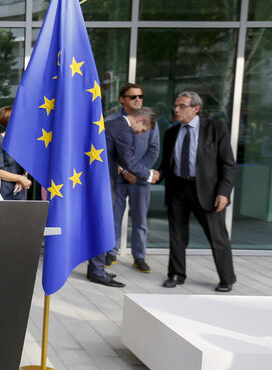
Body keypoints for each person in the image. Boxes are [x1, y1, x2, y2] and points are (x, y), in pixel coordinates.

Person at [155, 91, 236, 292]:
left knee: (217, 237)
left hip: (207, 191)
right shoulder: (171, 133)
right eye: (175, 106)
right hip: (178, 189)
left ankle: (227, 278)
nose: (176, 110)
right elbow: (166, 165)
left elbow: (228, 164)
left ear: (196, 108)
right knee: (177, 235)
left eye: (182, 106)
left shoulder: (215, 129)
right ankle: (176, 274)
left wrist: (224, 192)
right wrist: (156, 175)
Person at [93, 107, 157, 284]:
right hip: (105, 183)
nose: (139, 133)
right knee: (103, 225)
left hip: (101, 180)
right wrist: (150, 175)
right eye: (142, 130)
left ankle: (95, 268)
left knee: (102, 224)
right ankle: (97, 271)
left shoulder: (112, 124)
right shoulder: (124, 130)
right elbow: (128, 161)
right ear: (140, 120)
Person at [105, 85, 160, 273]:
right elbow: (109, 153)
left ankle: (139, 256)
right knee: (113, 218)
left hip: (140, 180)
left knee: (140, 220)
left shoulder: (150, 121)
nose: (138, 99)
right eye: (133, 96)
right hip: (118, 178)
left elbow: (154, 149)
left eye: (140, 96)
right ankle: (111, 252)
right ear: (122, 99)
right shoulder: (112, 121)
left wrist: (139, 172)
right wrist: (124, 172)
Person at [0, 106, 30, 200]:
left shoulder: (22, 141)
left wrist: (22, 178)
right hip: (4, 191)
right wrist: (20, 178)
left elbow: (27, 165)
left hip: (20, 190)